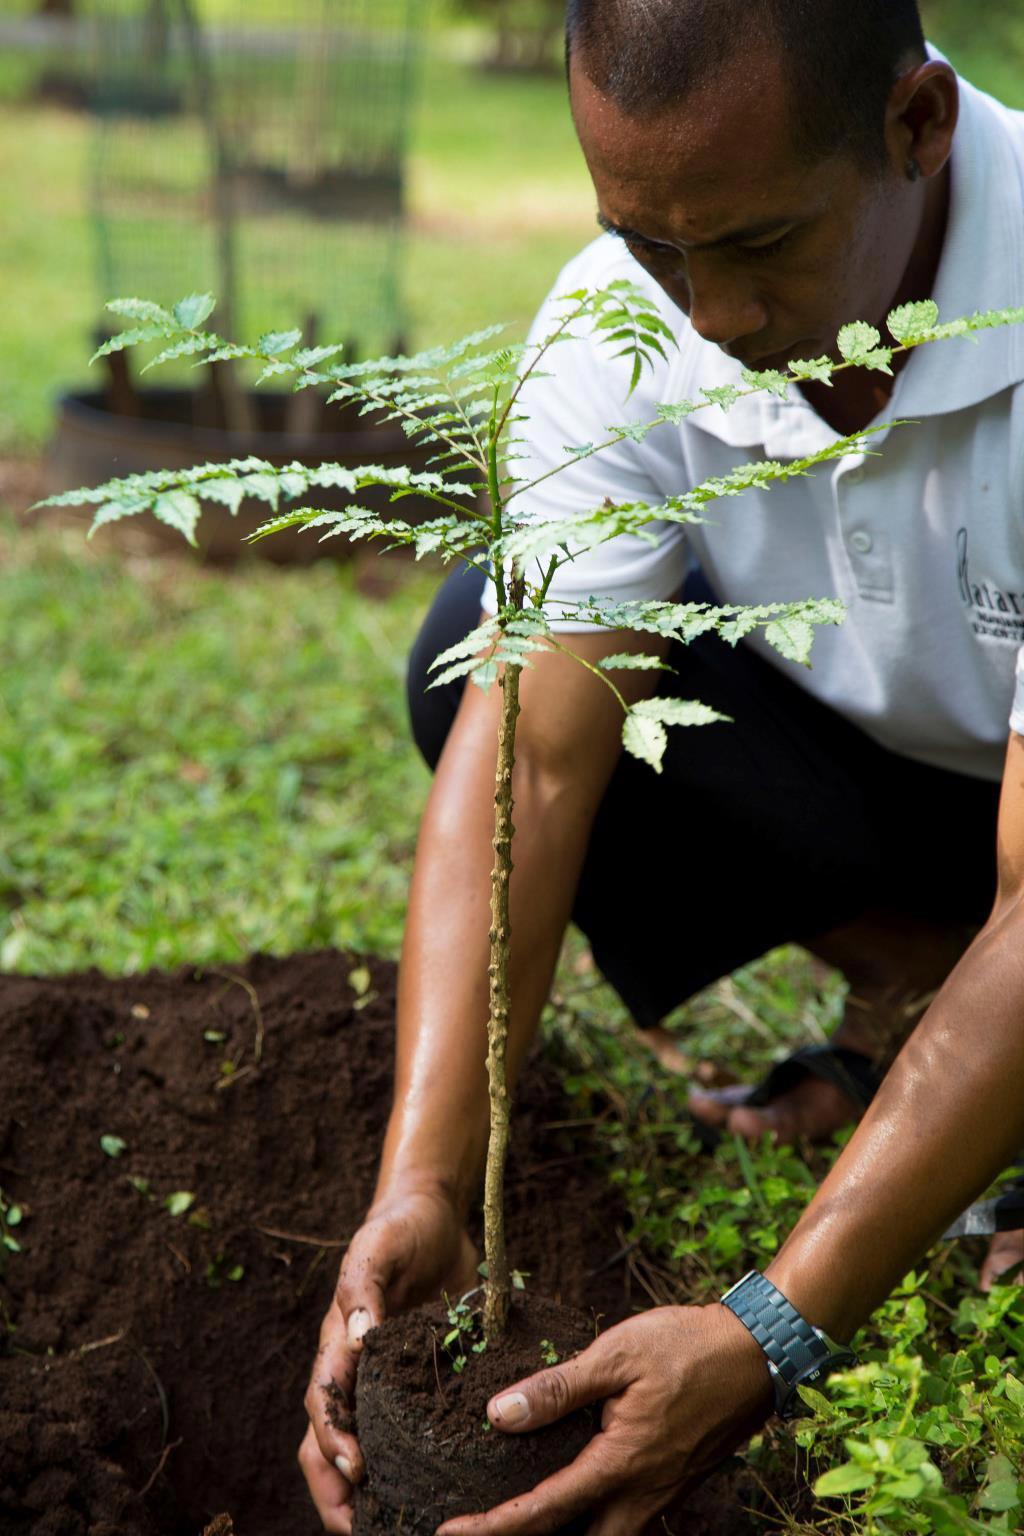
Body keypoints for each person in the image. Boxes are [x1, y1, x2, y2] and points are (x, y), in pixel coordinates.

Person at [299, 1, 1024, 1530]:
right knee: (484, 659)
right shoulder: (622, 321)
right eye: (648, 245)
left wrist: (769, 1327)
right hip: (898, 779)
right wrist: (423, 1180)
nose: (706, 315)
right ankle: (913, 998)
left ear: (918, 128)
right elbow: (537, 768)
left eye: (760, 247)